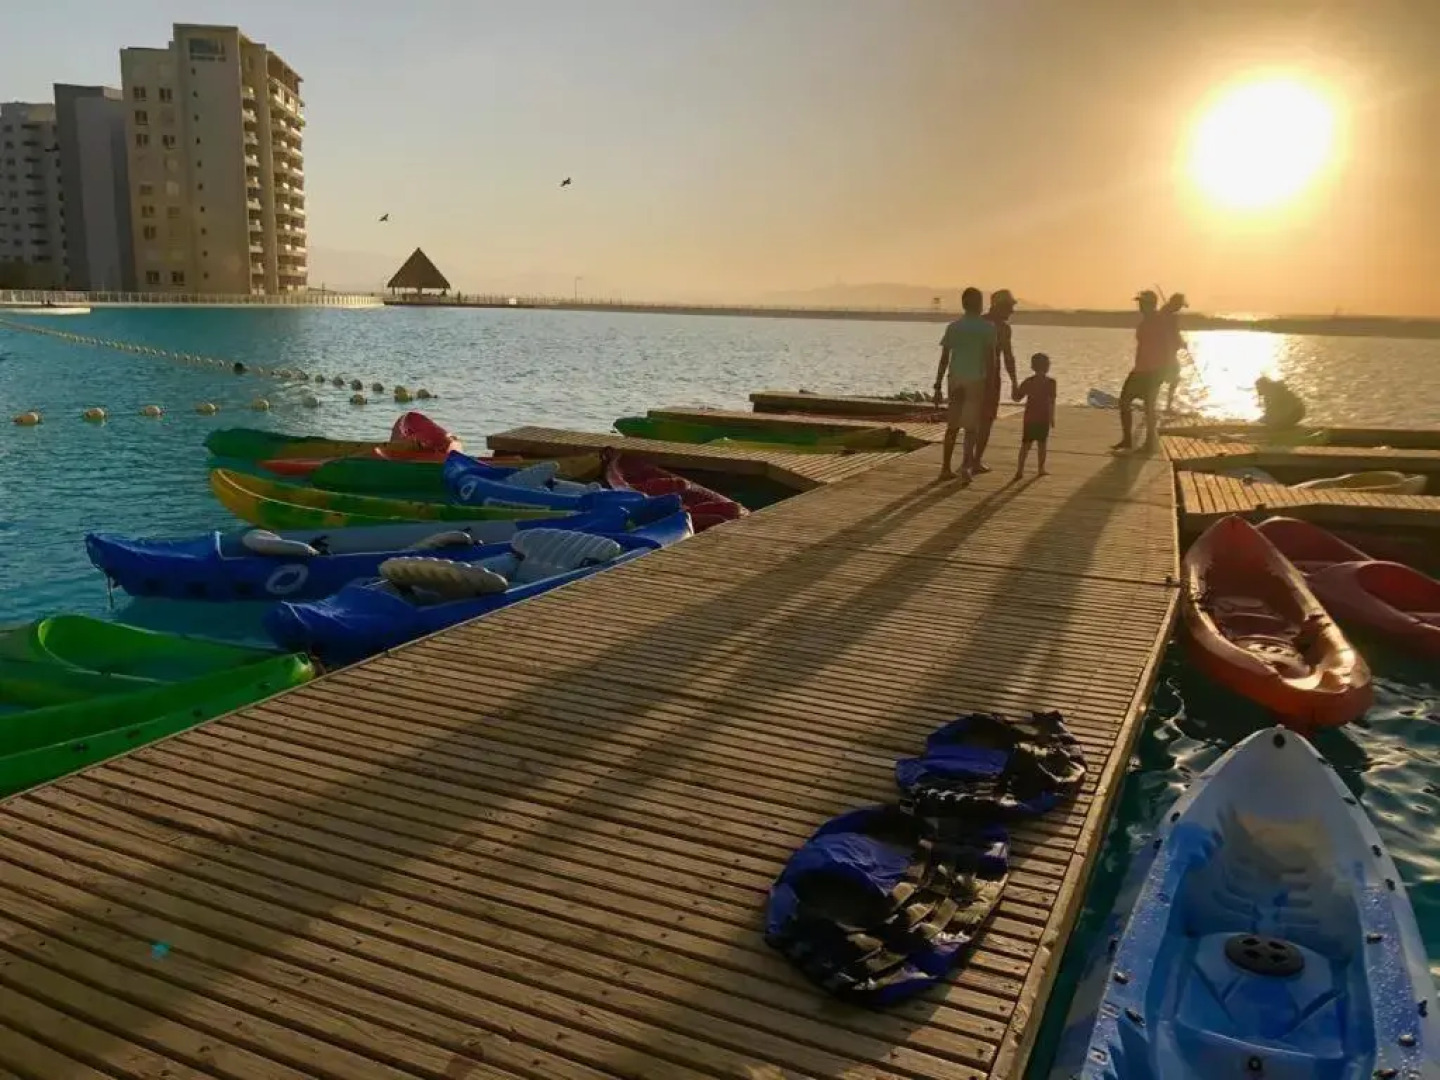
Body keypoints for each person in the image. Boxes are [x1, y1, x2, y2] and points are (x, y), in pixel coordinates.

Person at [933, 286, 998, 484]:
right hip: (976, 380)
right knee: (971, 428)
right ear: (980, 305)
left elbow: (944, 359)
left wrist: (937, 385)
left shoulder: (954, 327)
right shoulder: (988, 328)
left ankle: (945, 468)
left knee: (952, 427)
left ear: (963, 304)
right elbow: (991, 361)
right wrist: (991, 386)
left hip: (955, 380)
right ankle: (966, 467)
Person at [1113, 290, 1169, 453]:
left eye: (1143, 303)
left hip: (1152, 372)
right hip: (1140, 369)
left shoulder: (1159, 322)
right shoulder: (1145, 322)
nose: (1140, 306)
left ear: (1151, 304)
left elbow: (1167, 347)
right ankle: (1128, 440)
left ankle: (1149, 443)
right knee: (1126, 402)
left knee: (1147, 406)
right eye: (1140, 303)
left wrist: (1166, 371)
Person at [975, 289, 1019, 472]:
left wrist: (1014, 383)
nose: (1012, 311)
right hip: (983, 379)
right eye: (1009, 307)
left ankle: (974, 460)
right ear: (998, 306)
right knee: (981, 420)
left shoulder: (1000, 327)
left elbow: (1008, 357)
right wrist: (1014, 383)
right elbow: (1008, 357)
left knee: (983, 420)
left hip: (985, 378)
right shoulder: (986, 325)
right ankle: (973, 460)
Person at [1013, 352, 1057, 478]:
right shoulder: (1051, 382)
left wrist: (1014, 385)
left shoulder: (1028, 381)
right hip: (1043, 417)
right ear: (1047, 366)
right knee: (1042, 444)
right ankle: (1041, 469)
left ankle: (1020, 470)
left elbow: (1017, 398)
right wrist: (1052, 418)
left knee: (1025, 445)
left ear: (1032, 367)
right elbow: (1051, 402)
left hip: (1029, 418)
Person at [1160, 292, 1190, 414]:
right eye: (1180, 305)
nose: (1180, 308)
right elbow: (1172, 334)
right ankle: (1167, 407)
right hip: (1166, 353)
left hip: (1166, 352)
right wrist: (1182, 343)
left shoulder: (1165, 313)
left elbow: (1173, 334)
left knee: (1167, 377)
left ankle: (1165, 406)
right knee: (1173, 377)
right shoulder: (1169, 316)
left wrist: (1181, 343)